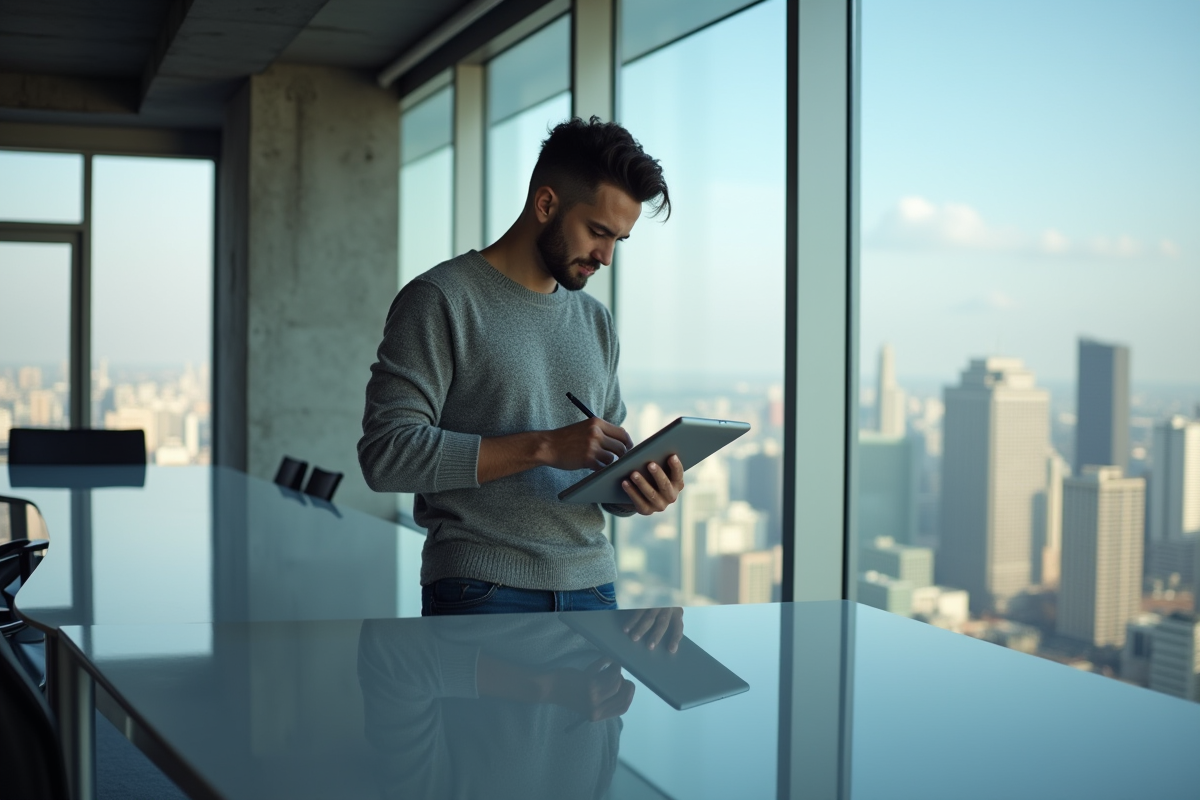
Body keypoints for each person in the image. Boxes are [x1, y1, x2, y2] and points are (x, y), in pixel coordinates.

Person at [359, 116, 684, 644]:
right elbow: (386, 455)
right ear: (547, 204)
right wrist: (543, 446)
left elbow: (595, 466)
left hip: (595, 589)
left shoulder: (596, 322)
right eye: (598, 232)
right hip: (481, 591)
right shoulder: (440, 300)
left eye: (619, 239)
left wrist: (637, 488)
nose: (606, 256)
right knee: (483, 733)